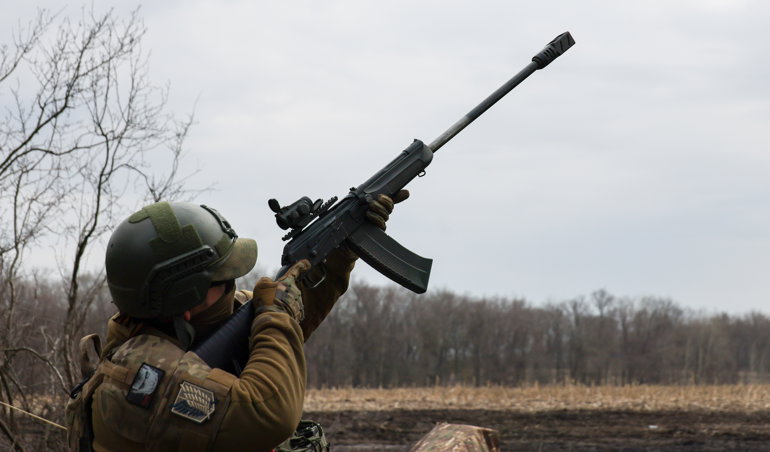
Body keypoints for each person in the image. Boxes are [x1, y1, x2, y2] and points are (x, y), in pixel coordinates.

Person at [65, 192, 407, 451]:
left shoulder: (179, 330)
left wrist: (339, 251)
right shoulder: (141, 380)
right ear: (187, 300)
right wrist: (277, 314)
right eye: (225, 279)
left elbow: (275, 324)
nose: (234, 287)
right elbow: (269, 413)